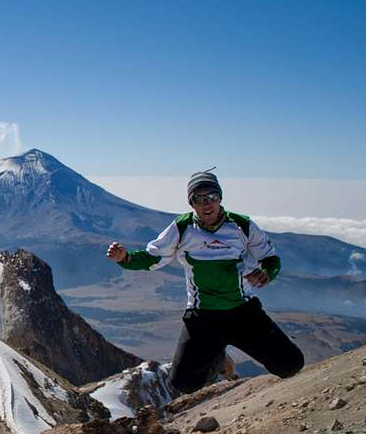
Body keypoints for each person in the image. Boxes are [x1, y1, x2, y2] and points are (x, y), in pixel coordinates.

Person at [105, 168, 304, 393]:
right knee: (183, 384)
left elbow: (270, 258)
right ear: (191, 203)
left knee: (291, 365)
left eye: (212, 197)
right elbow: (153, 257)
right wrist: (125, 258)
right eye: (199, 199)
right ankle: (218, 360)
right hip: (203, 316)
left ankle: (221, 351)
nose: (207, 203)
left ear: (220, 198)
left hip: (243, 312)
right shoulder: (182, 228)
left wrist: (267, 273)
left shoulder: (243, 226)